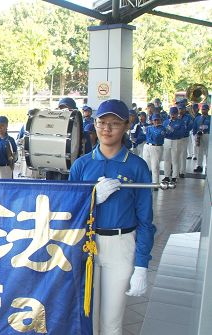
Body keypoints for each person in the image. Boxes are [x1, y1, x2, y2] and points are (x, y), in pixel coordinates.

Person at [68, 99, 154, 335]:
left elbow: (146, 220)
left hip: (121, 245)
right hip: (87, 246)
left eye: (114, 123)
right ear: (94, 124)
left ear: (126, 125)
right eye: (101, 122)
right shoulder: (81, 165)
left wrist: (142, 265)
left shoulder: (137, 166)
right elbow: (69, 212)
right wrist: (92, 198)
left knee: (112, 322)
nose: (106, 129)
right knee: (87, 318)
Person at [162, 107, 185, 185]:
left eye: (174, 114)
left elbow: (182, 133)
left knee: (175, 160)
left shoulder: (180, 122)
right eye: (171, 114)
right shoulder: (165, 122)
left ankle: (175, 177)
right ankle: (166, 176)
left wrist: (173, 131)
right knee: (166, 159)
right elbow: (163, 131)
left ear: (177, 114)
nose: (172, 115)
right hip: (167, 141)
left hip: (176, 141)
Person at [143, 113, 166, 185]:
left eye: (157, 120)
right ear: (152, 121)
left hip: (156, 147)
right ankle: (147, 181)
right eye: (154, 120)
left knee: (155, 166)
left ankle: (155, 183)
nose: (156, 122)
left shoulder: (162, 128)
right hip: (147, 146)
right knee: (146, 165)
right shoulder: (149, 127)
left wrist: (150, 135)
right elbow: (146, 136)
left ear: (160, 120)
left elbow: (156, 137)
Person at [178, 102, 193, 177]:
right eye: (179, 108)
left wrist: (182, 128)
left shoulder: (188, 117)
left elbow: (190, 127)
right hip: (176, 139)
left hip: (184, 137)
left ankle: (182, 172)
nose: (180, 110)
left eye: (182, 109)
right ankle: (176, 170)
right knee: (176, 155)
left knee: (183, 154)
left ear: (185, 109)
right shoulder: (175, 116)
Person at [193, 104, 210, 173]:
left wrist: (205, 127)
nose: (203, 110)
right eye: (202, 109)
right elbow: (194, 127)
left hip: (207, 135)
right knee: (199, 151)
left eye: (205, 109)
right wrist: (195, 135)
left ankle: (208, 166)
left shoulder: (210, 118)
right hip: (199, 136)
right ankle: (199, 166)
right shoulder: (198, 118)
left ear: (208, 110)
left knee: (207, 151)